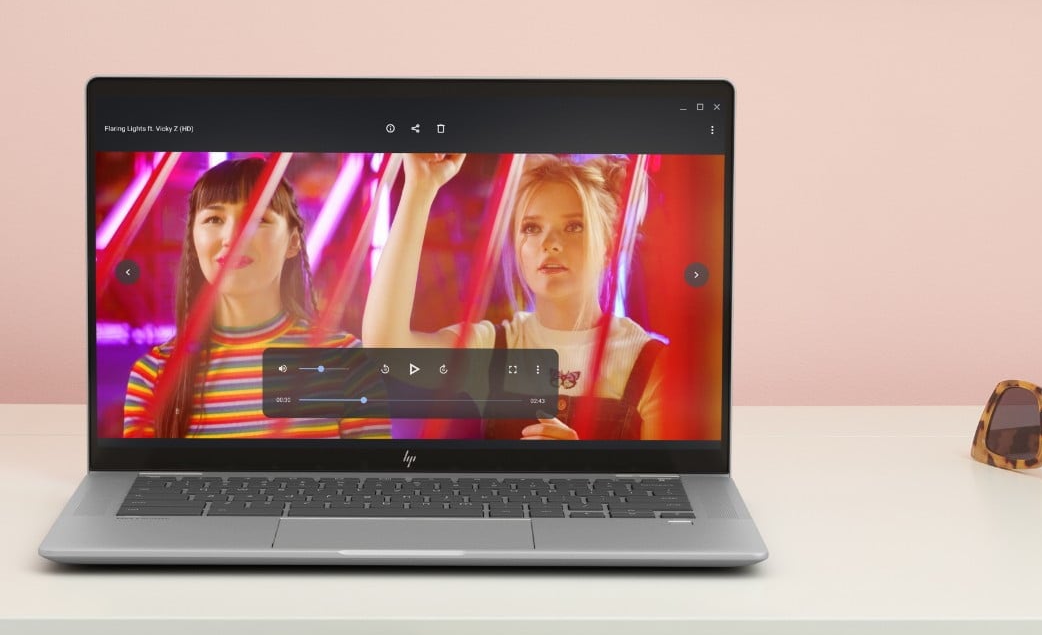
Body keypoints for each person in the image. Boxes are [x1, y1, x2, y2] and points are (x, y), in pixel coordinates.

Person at [362, 153, 665, 440]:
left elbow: (662, 488)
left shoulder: (651, 362)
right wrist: (420, 186)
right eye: (532, 228)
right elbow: (389, 352)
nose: (550, 243)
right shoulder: (492, 348)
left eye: (574, 226)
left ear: (609, 247)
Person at [124, 157, 390, 439]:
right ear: (192, 239)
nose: (233, 237)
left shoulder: (348, 362)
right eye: (214, 219)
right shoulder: (153, 375)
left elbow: (372, 480)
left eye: (258, 219)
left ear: (293, 241)